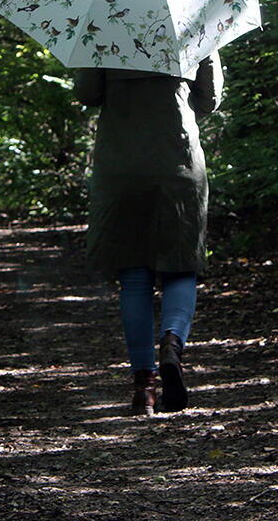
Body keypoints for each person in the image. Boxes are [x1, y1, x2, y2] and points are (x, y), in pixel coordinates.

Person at [73, 52, 224, 415]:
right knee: (181, 267)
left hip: (121, 165)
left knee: (134, 274)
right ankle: (172, 345)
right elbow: (210, 98)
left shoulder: (104, 20)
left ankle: (145, 387)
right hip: (179, 161)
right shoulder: (193, 13)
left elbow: (87, 93)